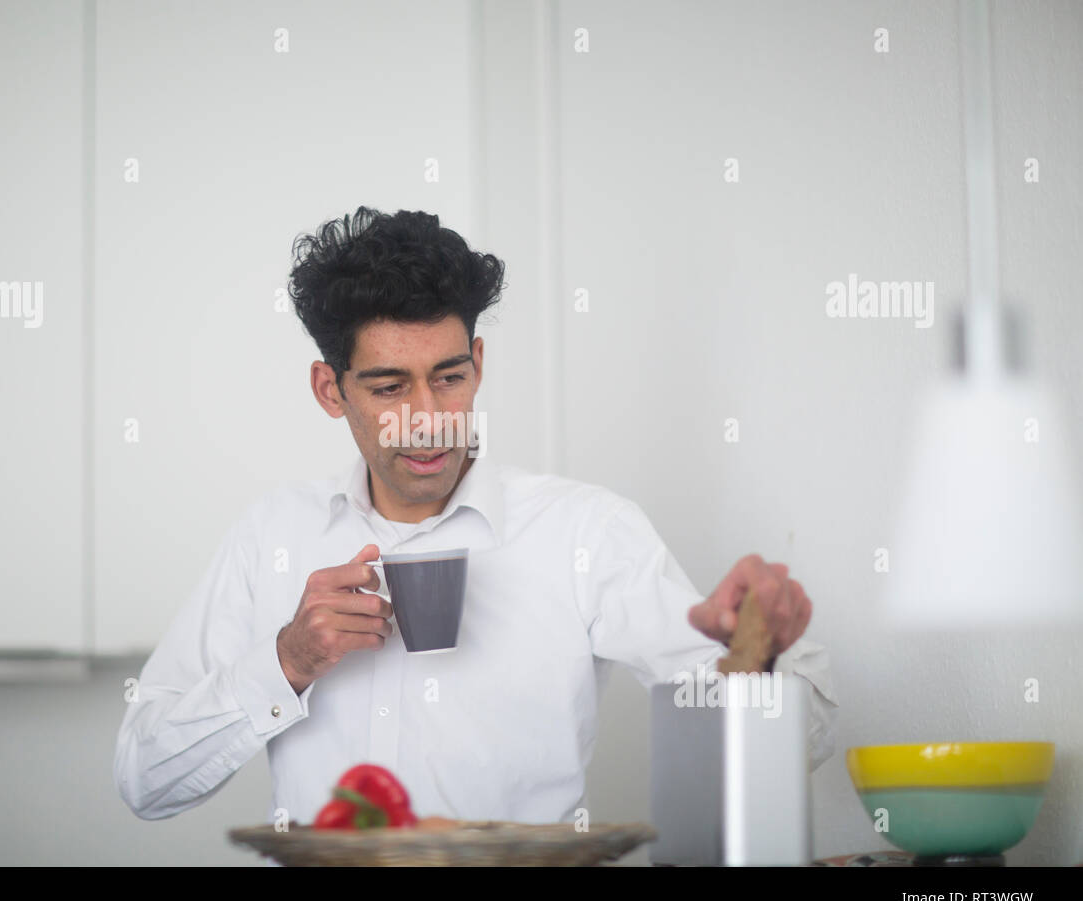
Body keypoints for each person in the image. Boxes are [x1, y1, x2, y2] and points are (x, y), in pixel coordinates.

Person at [113, 206, 838, 824]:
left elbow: (798, 739)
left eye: (450, 378)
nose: (429, 420)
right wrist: (288, 661)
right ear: (330, 391)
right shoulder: (270, 537)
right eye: (390, 387)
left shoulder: (585, 532)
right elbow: (145, 782)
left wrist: (756, 651)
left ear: (479, 364)